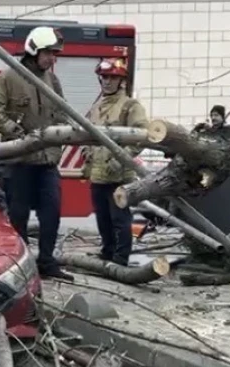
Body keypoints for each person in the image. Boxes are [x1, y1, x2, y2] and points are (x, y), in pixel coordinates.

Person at [0, 26, 73, 281]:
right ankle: (22, 266)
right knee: (18, 215)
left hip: (47, 163)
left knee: (52, 212)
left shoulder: (52, 80)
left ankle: (47, 261)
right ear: (34, 50)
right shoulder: (9, 78)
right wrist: (16, 133)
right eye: (49, 53)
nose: (53, 59)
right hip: (19, 162)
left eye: (55, 54)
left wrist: (59, 142)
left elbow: (63, 113)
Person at [81, 58, 149, 267]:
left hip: (119, 176)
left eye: (112, 77)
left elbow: (141, 136)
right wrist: (86, 154)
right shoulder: (96, 107)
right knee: (103, 218)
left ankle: (120, 259)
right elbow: (88, 136)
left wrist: (122, 161)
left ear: (121, 81)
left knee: (120, 219)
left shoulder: (130, 106)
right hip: (99, 175)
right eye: (104, 77)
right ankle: (107, 253)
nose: (107, 81)